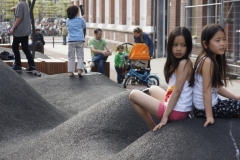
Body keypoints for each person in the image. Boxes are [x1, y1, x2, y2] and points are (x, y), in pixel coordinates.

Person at [129, 27, 193, 131]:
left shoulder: (183, 63)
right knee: (153, 88)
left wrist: (165, 117)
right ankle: (164, 109)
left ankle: (152, 127)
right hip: (178, 108)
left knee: (133, 95)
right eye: (175, 44)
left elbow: (177, 92)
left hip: (176, 112)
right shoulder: (180, 62)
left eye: (183, 45)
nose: (178, 49)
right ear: (170, 45)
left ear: (188, 46)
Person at [192, 24, 240, 127]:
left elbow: (216, 87)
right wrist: (209, 116)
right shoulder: (208, 61)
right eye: (217, 40)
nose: (222, 43)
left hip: (209, 104)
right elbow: (206, 91)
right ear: (205, 44)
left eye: (224, 39)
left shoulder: (209, 59)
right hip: (204, 109)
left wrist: (234, 97)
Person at [10, 0, 37, 72]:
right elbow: (21, 8)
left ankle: (18, 65)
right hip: (25, 31)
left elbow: (19, 18)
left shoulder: (20, 4)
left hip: (20, 31)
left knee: (14, 47)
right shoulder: (24, 3)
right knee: (25, 48)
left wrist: (13, 28)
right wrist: (15, 7)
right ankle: (32, 65)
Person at [66, 5, 86, 77]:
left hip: (71, 40)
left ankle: (71, 72)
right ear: (77, 12)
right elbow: (84, 26)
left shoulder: (67, 21)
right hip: (80, 40)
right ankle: (80, 70)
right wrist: (82, 18)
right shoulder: (81, 20)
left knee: (71, 56)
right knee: (80, 56)